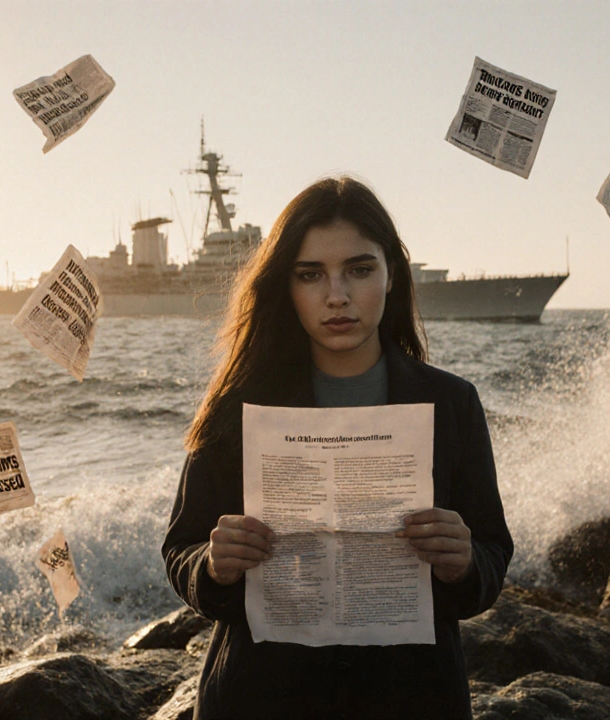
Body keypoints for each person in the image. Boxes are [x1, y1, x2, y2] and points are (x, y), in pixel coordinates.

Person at [162, 176, 512, 719]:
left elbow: (492, 552)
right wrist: (213, 564)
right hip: (261, 699)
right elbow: (180, 549)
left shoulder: (452, 403)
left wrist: (466, 562)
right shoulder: (237, 405)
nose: (336, 295)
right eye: (310, 275)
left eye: (359, 269)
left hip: (410, 698)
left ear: (392, 273)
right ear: (286, 286)